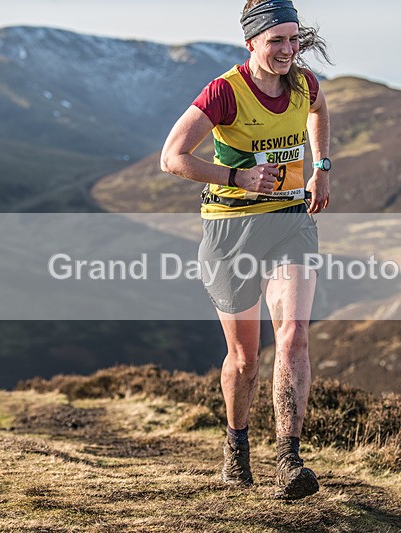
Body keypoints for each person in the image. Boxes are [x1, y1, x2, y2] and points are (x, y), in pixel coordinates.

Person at [160, 0, 331, 500]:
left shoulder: (304, 84)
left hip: (289, 223)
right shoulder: (225, 92)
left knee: (295, 335)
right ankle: (236, 449)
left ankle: (289, 460)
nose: (288, 49)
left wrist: (322, 167)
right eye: (276, 40)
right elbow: (172, 158)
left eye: (293, 39)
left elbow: (319, 111)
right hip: (230, 232)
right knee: (245, 358)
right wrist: (236, 176)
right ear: (251, 43)